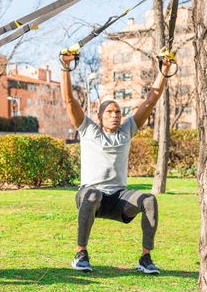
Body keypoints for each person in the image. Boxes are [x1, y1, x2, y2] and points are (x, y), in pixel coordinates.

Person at [60, 51, 173, 274]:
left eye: (118, 112)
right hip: (91, 196)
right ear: (100, 116)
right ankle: (81, 254)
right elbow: (69, 100)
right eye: (110, 112)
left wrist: (164, 70)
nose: (115, 115)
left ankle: (145, 258)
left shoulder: (127, 130)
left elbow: (151, 99)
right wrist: (65, 67)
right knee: (92, 194)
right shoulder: (88, 130)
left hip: (118, 199)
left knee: (149, 200)